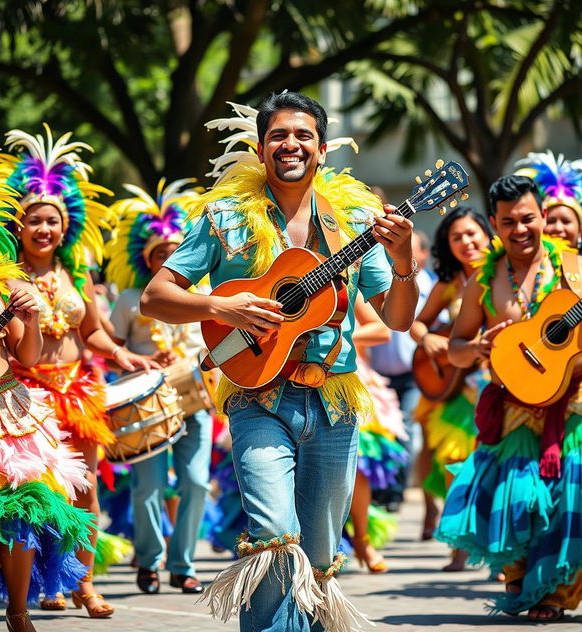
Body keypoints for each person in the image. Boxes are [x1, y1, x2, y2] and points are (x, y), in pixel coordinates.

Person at [141, 92, 418, 632]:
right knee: (272, 537)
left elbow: (399, 318)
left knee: (316, 557)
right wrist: (222, 304)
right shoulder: (223, 215)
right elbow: (155, 296)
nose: (291, 144)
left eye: (303, 135)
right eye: (278, 136)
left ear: (321, 148)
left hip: (333, 401)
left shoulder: (357, 219)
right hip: (257, 396)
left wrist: (404, 257)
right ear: (261, 147)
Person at [436, 174, 582, 620]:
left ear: (541, 217)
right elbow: (456, 348)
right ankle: (521, 579)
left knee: (579, 491)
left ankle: (556, 594)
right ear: (495, 224)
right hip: (515, 401)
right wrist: (476, 348)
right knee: (516, 498)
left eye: (528, 219)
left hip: (579, 399)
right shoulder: (483, 280)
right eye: (508, 221)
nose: (520, 230)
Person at [0, 125, 151, 618]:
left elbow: (93, 333)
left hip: (79, 391)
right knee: (44, 497)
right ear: (20, 226)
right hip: (28, 398)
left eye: (52, 222)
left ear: (66, 229)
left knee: (86, 495)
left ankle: (83, 586)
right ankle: (47, 583)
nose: (44, 229)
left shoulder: (76, 273)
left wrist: (124, 357)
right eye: (35, 221)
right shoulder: (5, 278)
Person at [0, 140, 92, 632]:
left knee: (22, 516)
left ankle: (19, 613)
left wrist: (31, 319)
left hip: (11, 410)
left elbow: (24, 355)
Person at [105, 179, 212, 595]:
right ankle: (149, 561)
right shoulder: (132, 298)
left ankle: (183, 563)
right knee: (148, 484)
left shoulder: (203, 295)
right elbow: (113, 345)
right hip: (144, 404)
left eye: (174, 252)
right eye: (160, 254)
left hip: (194, 399)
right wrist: (143, 361)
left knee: (197, 481)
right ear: (147, 259)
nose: (168, 258)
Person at [409, 207, 492, 570]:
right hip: (458, 391)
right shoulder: (449, 283)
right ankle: (458, 547)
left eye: (472, 233)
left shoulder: (507, 274)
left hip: (501, 384)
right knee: (456, 466)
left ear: (488, 234)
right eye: (456, 237)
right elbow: (417, 325)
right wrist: (427, 341)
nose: (466, 242)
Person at [370, 229, 437, 512]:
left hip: (412, 376)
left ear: (422, 253)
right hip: (380, 373)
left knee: (406, 431)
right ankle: (385, 488)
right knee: (385, 433)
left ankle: (396, 491)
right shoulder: (380, 277)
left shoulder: (429, 285)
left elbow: (436, 324)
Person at [349, 297, 407, 573]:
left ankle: (362, 539)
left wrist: (330, 331)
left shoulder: (339, 265)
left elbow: (380, 330)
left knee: (358, 464)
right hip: (280, 374)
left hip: (347, 376)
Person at [515, 150, 582, 267]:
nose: (558, 228)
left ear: (581, 229)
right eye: (551, 221)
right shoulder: (521, 267)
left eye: (566, 221)